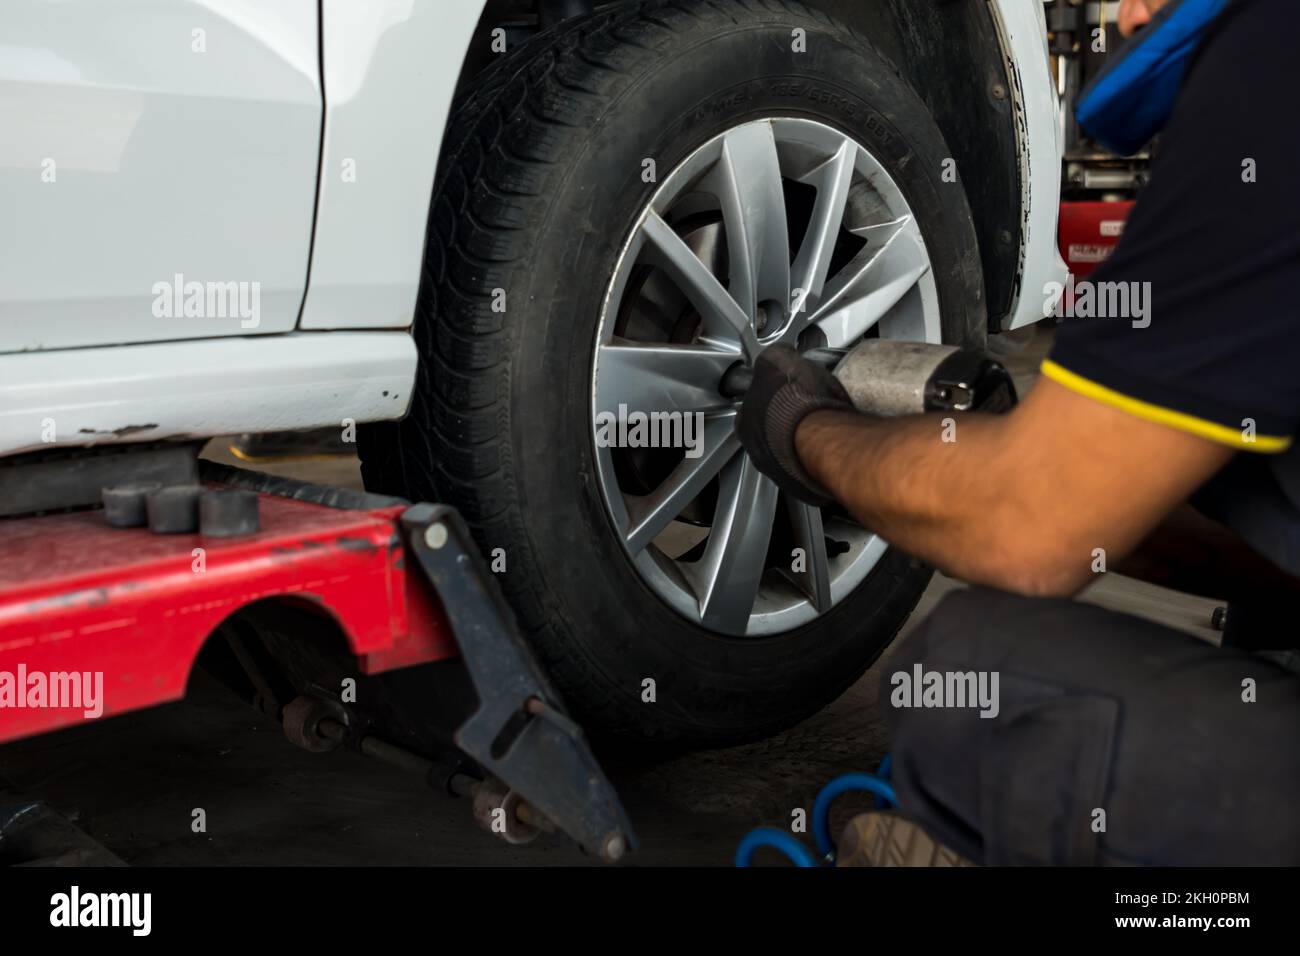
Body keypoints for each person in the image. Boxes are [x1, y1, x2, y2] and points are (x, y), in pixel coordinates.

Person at [736, 0, 1300, 865]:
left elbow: (1026, 534)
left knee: (966, 672)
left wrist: (805, 432)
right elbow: (1267, 558)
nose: (1123, 12)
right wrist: (1017, 447)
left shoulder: (1271, 62)